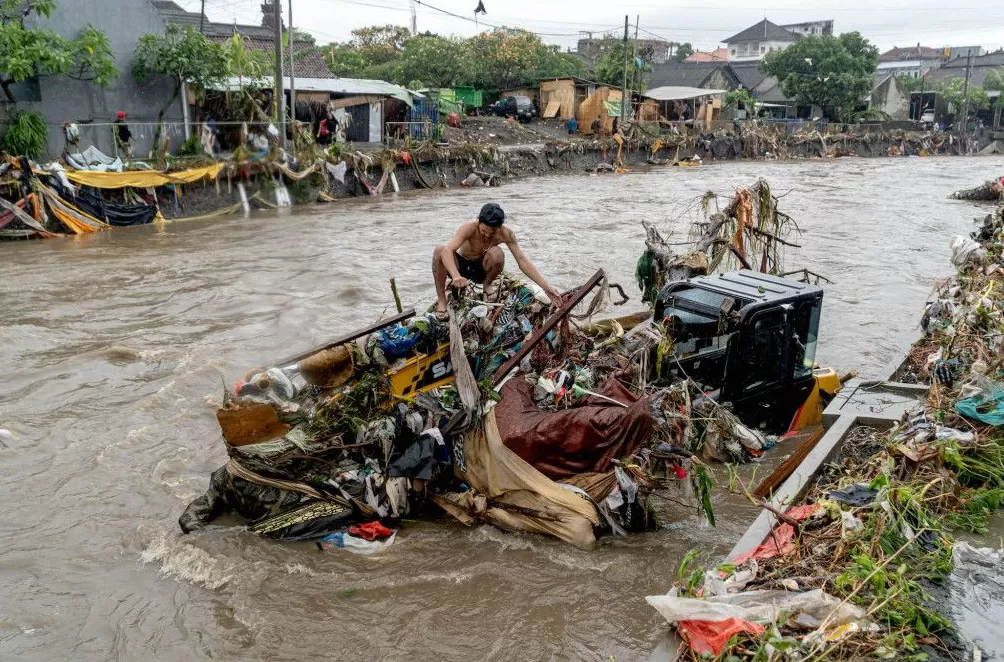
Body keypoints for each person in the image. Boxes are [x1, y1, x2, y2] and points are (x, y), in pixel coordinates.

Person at [432, 203, 562, 318]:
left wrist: (546, 287)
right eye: (484, 230)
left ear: (500, 227)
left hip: (482, 270)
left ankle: (487, 286)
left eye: (492, 232)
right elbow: (447, 250)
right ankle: (442, 301)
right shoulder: (469, 227)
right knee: (439, 251)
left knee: (497, 253)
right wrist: (455, 275)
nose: (488, 235)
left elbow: (522, 261)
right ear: (479, 222)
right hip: (462, 268)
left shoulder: (506, 234)